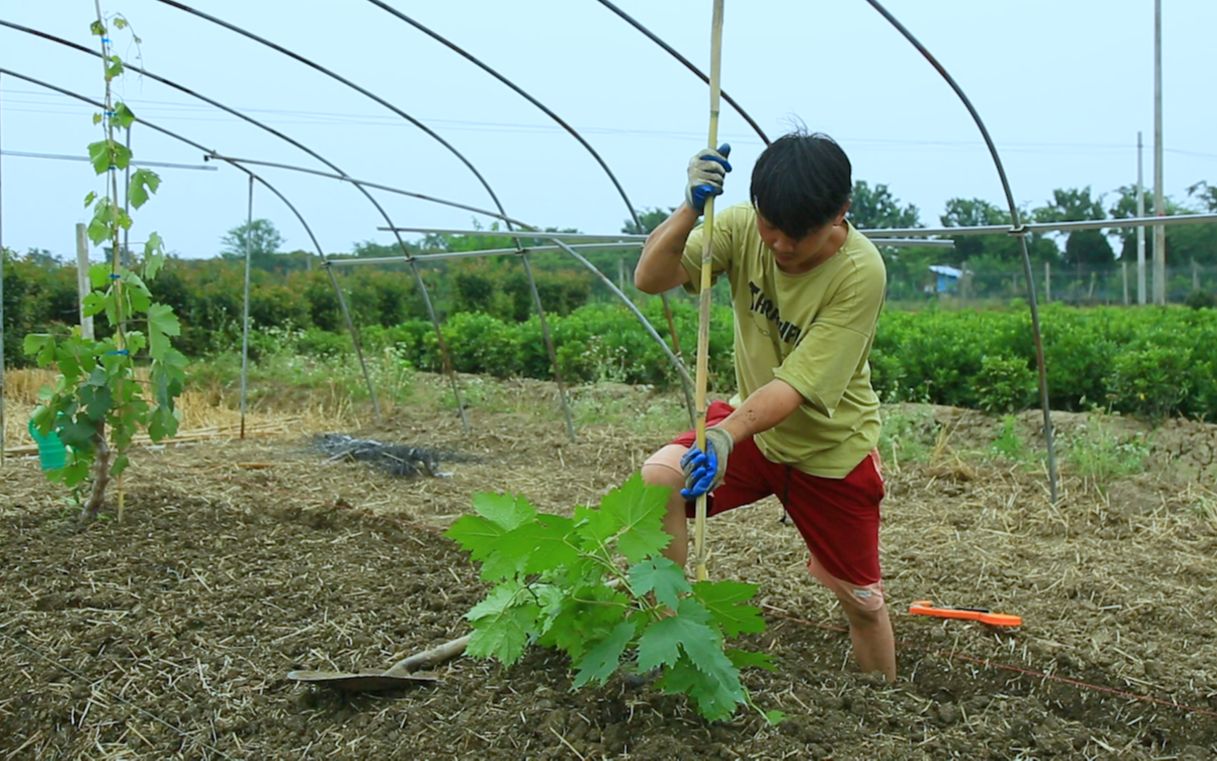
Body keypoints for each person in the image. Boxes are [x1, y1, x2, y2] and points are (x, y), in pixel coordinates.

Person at [635, 130, 895, 680]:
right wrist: (689, 210)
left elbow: (795, 386)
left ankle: (882, 706)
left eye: (796, 236)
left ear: (839, 214)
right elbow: (650, 277)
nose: (778, 246)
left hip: (829, 452)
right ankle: (667, 636)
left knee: (863, 603)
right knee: (660, 478)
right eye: (769, 227)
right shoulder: (738, 228)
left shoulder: (860, 272)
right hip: (753, 433)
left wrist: (727, 436)